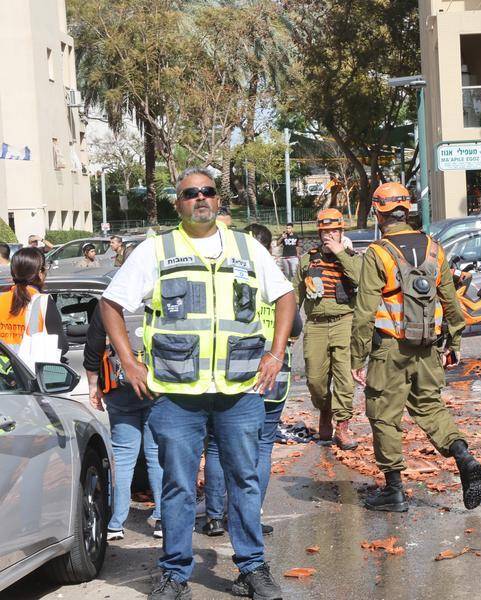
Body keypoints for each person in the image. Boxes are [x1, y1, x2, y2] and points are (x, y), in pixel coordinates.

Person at [100, 167, 294, 600]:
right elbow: (111, 304)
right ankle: (174, 573)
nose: (200, 198)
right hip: (176, 396)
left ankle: (252, 568)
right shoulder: (156, 250)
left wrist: (275, 353)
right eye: (190, 193)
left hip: (238, 391)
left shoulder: (247, 248)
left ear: (219, 199)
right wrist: (128, 362)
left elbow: (285, 296)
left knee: (244, 479)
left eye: (207, 192)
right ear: (178, 203)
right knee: (178, 485)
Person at [350, 182, 481, 513]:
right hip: (428, 348)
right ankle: (463, 456)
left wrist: (357, 357)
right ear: (407, 210)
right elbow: (451, 302)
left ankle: (394, 490)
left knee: (384, 415)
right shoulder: (435, 249)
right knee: (430, 407)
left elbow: (365, 311)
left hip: (390, 349)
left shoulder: (378, 253)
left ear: (378, 212)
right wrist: (453, 341)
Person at [203, 223, 303, 538]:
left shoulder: (230, 280)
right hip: (274, 374)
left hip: (234, 372)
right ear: (270, 247)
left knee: (218, 446)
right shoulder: (277, 282)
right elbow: (296, 327)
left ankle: (215, 516)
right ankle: (250, 518)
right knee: (262, 446)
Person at [83, 309, 164, 541]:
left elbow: (93, 348)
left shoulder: (108, 303)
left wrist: (93, 386)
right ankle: (161, 519)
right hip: (154, 385)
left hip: (120, 388)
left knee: (123, 457)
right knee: (156, 454)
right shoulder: (155, 297)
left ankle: (116, 523)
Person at [296, 208, 361, 450]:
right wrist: (289, 329)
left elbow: (360, 279)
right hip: (315, 325)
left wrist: (340, 253)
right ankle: (325, 408)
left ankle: (342, 426)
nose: (329, 235)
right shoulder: (308, 259)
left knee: (344, 377)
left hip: (344, 320)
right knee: (315, 380)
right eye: (325, 231)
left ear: (341, 231)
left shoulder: (352, 257)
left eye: (334, 230)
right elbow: (295, 295)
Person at [0, 247, 68, 355]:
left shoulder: (1, 299)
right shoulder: (41, 302)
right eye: (46, 268)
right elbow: (61, 347)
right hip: (28, 370)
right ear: (40, 273)